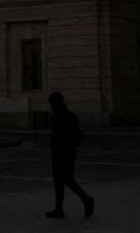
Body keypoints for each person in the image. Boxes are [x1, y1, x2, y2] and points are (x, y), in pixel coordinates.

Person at [45, 91, 94, 219]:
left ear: (55, 103)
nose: (51, 106)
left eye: (52, 104)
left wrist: (56, 149)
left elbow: (57, 136)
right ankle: (61, 208)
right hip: (69, 152)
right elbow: (77, 135)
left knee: (62, 181)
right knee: (66, 180)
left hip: (60, 153)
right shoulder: (70, 115)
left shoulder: (58, 116)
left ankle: (83, 200)